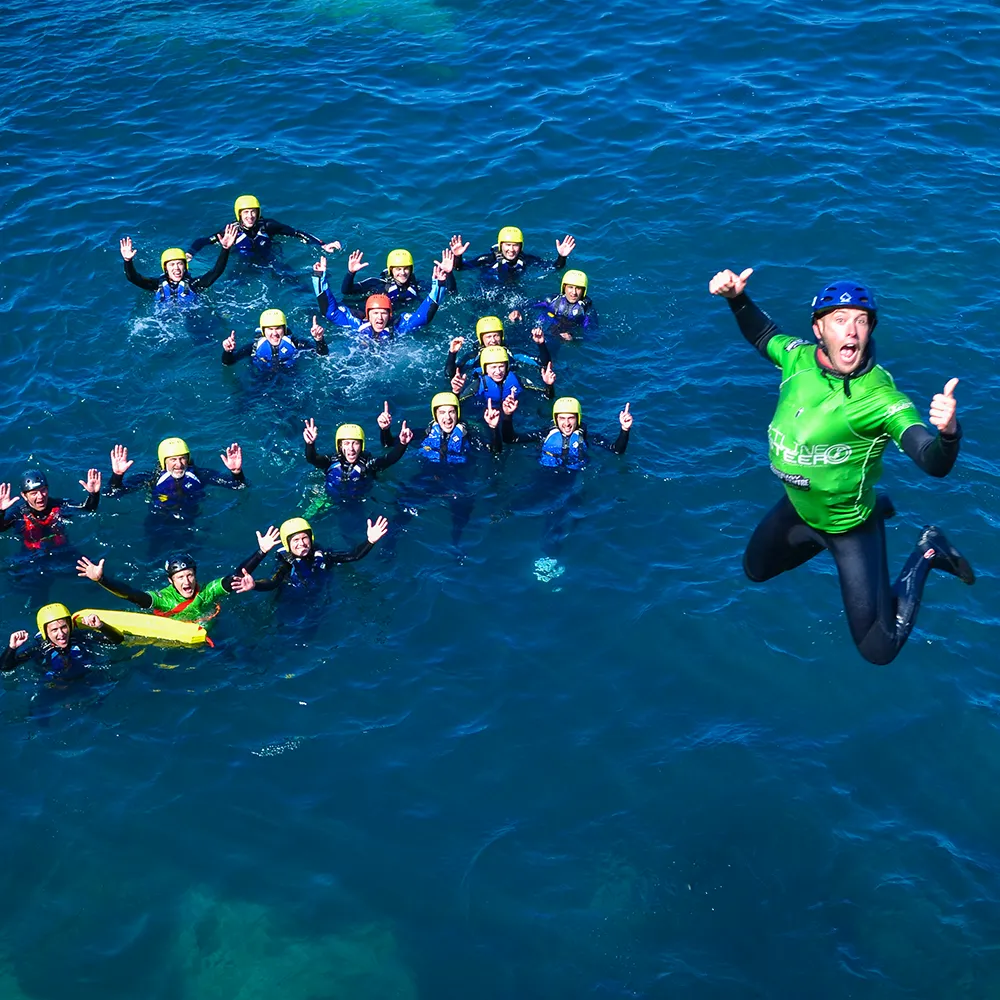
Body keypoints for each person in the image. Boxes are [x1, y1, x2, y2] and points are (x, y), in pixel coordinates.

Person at [709, 266, 974, 665]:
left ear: (870, 331)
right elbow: (763, 335)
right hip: (798, 508)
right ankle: (873, 508)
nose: (851, 331)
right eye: (839, 320)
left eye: (861, 321)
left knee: (878, 649)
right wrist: (737, 299)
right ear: (819, 329)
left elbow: (930, 460)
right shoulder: (797, 359)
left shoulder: (881, 399)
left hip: (849, 526)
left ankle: (929, 551)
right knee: (755, 570)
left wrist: (948, 435)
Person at [76, 552, 257, 625]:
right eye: (180, 577)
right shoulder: (164, 599)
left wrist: (261, 552)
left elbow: (236, 577)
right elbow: (131, 594)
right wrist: (102, 580)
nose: (186, 581)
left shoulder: (207, 591)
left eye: (190, 575)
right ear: (171, 581)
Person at [312, 252, 452, 341]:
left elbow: (424, 317)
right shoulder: (357, 325)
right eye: (375, 314)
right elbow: (330, 312)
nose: (379, 318)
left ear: (390, 315)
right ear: (367, 315)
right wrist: (319, 277)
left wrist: (440, 283)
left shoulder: (399, 327)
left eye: (383, 314)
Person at [243, 515, 389, 593]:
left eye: (304, 538)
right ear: (287, 544)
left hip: (318, 593)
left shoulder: (323, 555)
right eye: (295, 540)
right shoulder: (286, 564)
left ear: (311, 538)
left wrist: (370, 541)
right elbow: (273, 582)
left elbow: (354, 555)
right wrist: (255, 585)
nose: (301, 543)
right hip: (291, 596)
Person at [107, 437, 246, 516]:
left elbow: (238, 486)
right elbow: (113, 494)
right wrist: (117, 475)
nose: (179, 464)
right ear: (163, 461)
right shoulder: (150, 479)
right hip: (160, 520)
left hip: (191, 516)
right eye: (173, 460)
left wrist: (236, 472)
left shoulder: (200, 475)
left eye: (182, 458)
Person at [303, 405, 411, 500]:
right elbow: (312, 459)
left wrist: (402, 444)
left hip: (357, 500)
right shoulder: (331, 461)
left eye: (355, 443)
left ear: (361, 445)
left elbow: (389, 459)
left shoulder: (368, 463)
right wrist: (310, 444)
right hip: (329, 499)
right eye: (346, 443)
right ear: (340, 446)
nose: (351, 448)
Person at [188, 194, 341, 260]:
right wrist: (190, 253)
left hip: (269, 258)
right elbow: (203, 241)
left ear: (258, 212)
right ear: (239, 214)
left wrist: (322, 245)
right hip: (243, 261)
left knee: (290, 279)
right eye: (246, 212)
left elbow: (296, 233)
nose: (250, 216)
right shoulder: (231, 231)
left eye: (253, 212)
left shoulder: (268, 225)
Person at [119, 225, 238, 307]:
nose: (176, 268)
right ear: (165, 269)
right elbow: (133, 278)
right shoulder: (156, 285)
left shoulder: (194, 284)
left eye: (179, 264)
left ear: (185, 266)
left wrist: (225, 249)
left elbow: (216, 272)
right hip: (163, 324)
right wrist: (127, 261)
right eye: (171, 265)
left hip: (192, 318)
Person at [1, 604, 123, 682]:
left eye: (64, 627)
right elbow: (5, 668)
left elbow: (116, 641)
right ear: (45, 632)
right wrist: (12, 648)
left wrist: (101, 626)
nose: (61, 634)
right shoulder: (39, 649)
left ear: (70, 626)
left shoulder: (80, 636)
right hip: (57, 685)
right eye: (54, 630)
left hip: (88, 677)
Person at [499, 395, 632, 466]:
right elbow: (510, 439)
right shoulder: (544, 434)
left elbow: (616, 450)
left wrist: (624, 430)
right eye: (562, 418)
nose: (566, 423)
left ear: (578, 419)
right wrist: (507, 416)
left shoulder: (588, 437)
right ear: (555, 419)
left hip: (573, 477)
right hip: (546, 474)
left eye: (571, 418)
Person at [0, 468, 101, 552]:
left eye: (43, 490)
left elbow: (88, 509)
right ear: (24, 496)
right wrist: (1, 512)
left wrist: (94, 495)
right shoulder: (18, 513)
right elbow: (1, 528)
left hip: (61, 551)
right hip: (31, 557)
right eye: (34, 493)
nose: (40, 496)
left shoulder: (59, 505)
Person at [450, 228, 576, 283]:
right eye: (507, 245)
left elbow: (555, 267)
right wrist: (458, 256)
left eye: (515, 245)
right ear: (500, 245)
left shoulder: (526, 259)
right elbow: (459, 268)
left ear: (521, 247)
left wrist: (562, 256)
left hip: (512, 290)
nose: (511, 249)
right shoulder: (488, 259)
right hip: (486, 288)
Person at [444, 315, 551, 379]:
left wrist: (541, 344)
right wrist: (452, 353)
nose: (493, 340)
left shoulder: (513, 353)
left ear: (502, 336)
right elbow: (450, 374)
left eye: (496, 335)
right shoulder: (473, 357)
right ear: (481, 339)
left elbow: (544, 364)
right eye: (488, 337)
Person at [340, 247, 456, 305]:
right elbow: (346, 291)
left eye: (406, 269)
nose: (403, 272)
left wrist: (449, 273)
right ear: (391, 270)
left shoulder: (417, 286)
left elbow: (451, 292)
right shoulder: (376, 284)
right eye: (398, 269)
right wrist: (351, 273)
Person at [451, 346, 556, 409]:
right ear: (485, 369)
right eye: (493, 367)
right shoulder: (478, 385)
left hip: (515, 411)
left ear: (507, 367)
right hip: (486, 412)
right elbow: (457, 406)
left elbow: (547, 397)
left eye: (501, 366)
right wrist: (456, 392)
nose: (498, 371)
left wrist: (549, 385)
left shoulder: (518, 380)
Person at [222, 308, 328, 371]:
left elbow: (322, 355)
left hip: (290, 377)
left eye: (278, 328)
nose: (274, 333)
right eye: (270, 329)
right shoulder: (253, 347)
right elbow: (229, 363)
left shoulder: (296, 343)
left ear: (284, 329)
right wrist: (228, 352)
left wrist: (319, 340)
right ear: (263, 331)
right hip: (261, 379)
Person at [524, 268, 599, 342]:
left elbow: (592, 336)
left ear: (583, 291)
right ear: (564, 287)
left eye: (578, 288)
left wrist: (573, 338)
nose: (574, 292)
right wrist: (516, 311)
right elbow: (525, 305)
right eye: (570, 287)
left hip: (565, 335)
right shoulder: (551, 300)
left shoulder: (586, 310)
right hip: (544, 328)